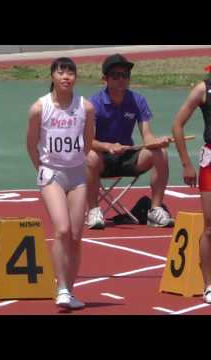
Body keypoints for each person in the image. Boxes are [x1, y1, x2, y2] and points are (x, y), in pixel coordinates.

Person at [26, 57, 95, 310]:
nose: (66, 77)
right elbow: (31, 144)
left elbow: (88, 143)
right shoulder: (39, 108)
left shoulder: (85, 108)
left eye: (71, 73)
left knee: (76, 236)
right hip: (51, 174)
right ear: (53, 76)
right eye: (61, 72)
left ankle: (71, 290)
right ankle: (61, 287)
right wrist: (42, 169)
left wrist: (76, 161)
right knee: (63, 230)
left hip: (77, 174)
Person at [86, 53, 174, 229]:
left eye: (125, 75)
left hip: (127, 157)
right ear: (105, 79)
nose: (121, 79)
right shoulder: (93, 103)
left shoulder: (137, 100)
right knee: (90, 156)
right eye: (116, 76)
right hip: (102, 160)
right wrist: (108, 146)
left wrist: (157, 142)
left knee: (160, 153)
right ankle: (94, 210)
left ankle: (154, 210)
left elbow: (147, 136)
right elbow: (88, 141)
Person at [171, 67, 211, 304]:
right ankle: (208, 284)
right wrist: (186, 163)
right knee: (209, 227)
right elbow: (177, 125)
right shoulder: (202, 88)